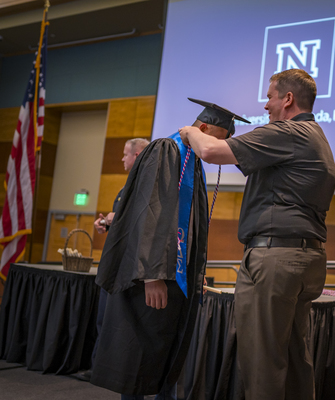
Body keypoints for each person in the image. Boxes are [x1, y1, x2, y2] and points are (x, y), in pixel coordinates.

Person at [179, 69, 335, 400]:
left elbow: (210, 151)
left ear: (288, 99)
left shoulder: (287, 132)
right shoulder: (315, 136)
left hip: (274, 259)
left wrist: (191, 132)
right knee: (294, 359)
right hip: (304, 257)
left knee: (261, 361)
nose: (266, 105)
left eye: (269, 97)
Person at [90, 99, 249, 400]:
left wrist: (193, 272)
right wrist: (152, 275)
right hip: (152, 277)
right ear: (202, 128)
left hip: (175, 280)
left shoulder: (194, 163)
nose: (218, 149)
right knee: (138, 359)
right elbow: (150, 212)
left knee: (169, 356)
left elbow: (190, 225)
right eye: (218, 138)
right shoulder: (165, 150)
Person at [75, 138, 149, 382]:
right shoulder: (124, 188)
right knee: (103, 318)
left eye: (125, 154)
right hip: (114, 263)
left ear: (137, 155)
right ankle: (99, 368)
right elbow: (120, 223)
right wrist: (104, 224)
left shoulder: (147, 187)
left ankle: (112, 371)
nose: (122, 159)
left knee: (119, 322)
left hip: (129, 267)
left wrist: (114, 219)